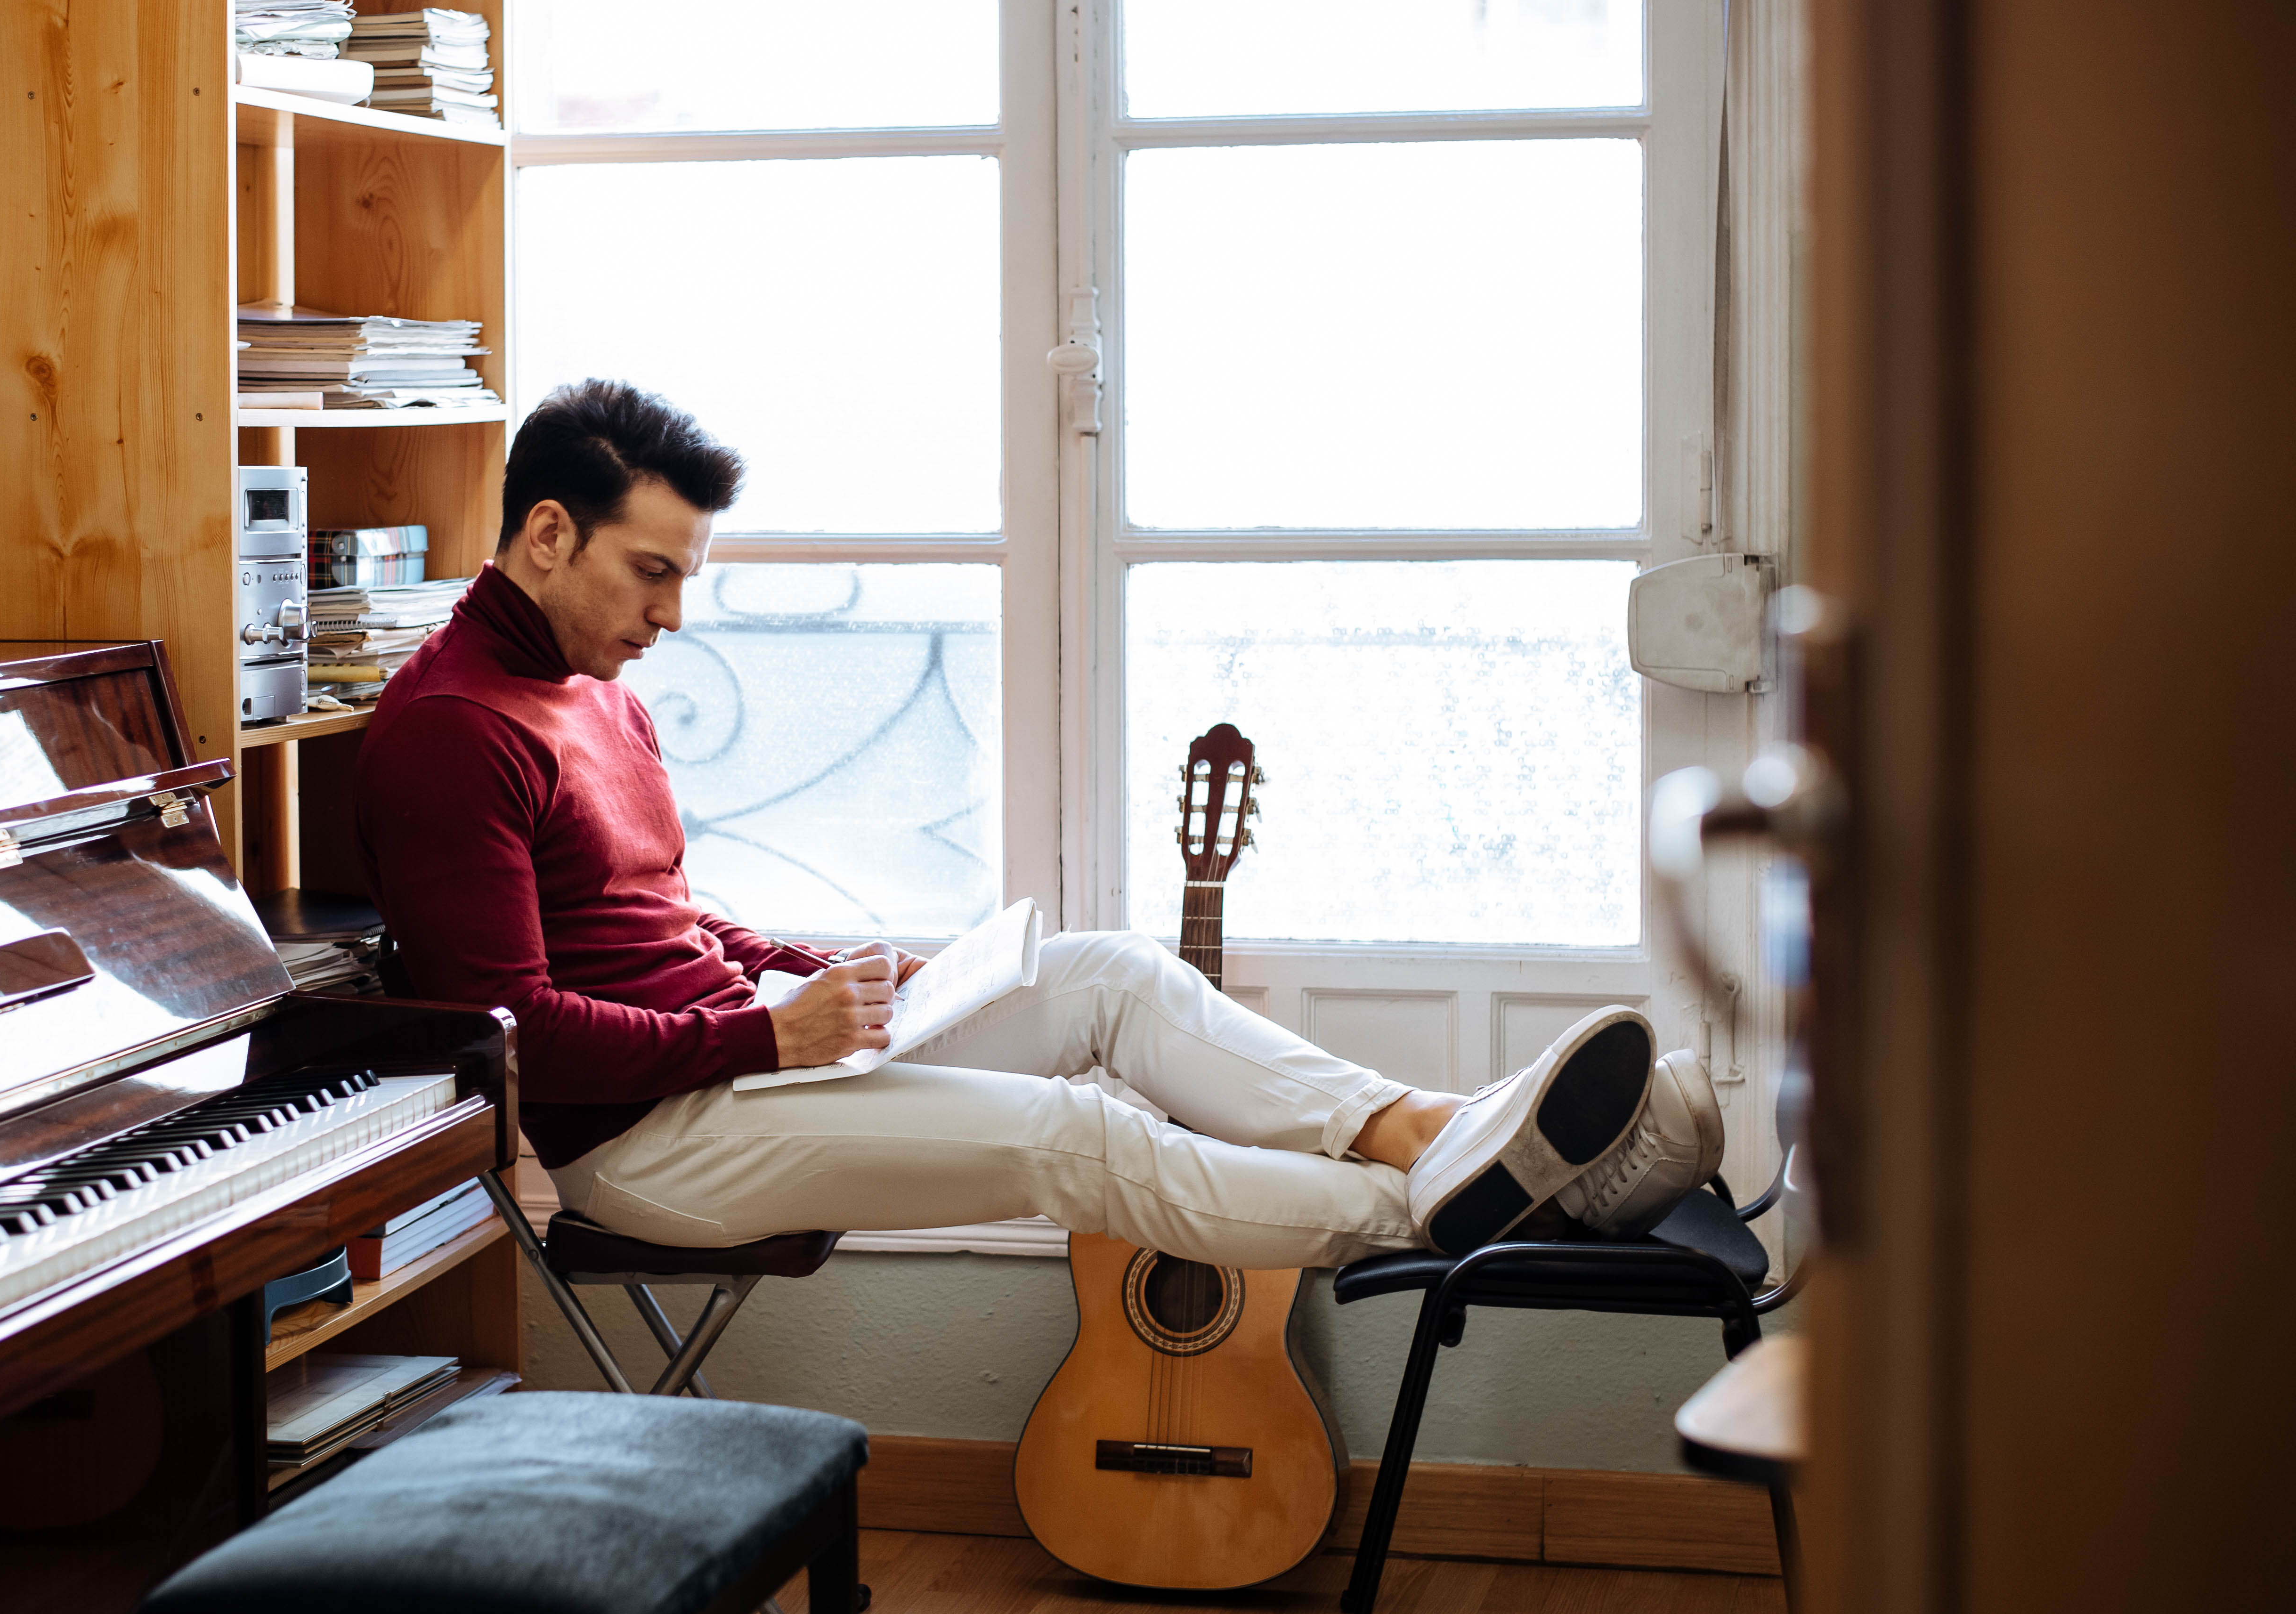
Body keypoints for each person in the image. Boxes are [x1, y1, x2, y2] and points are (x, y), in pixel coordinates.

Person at [356, 380, 1723, 1268]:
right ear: (546, 536)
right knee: (1080, 1139)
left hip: (742, 1059)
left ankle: (1440, 1132)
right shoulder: (450, 733)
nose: (672, 616)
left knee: (1112, 972)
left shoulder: (597, 686)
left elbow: (654, 910)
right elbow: (514, 1037)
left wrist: (803, 970)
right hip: (648, 1146)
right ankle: (1475, 1220)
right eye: (652, 573)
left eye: (684, 579)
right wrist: (762, 1031)